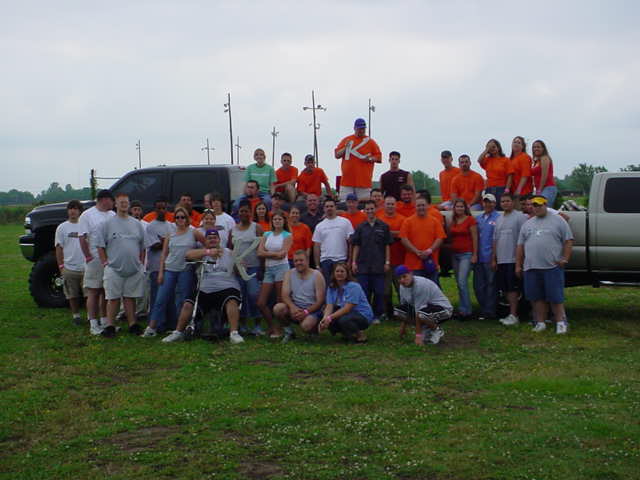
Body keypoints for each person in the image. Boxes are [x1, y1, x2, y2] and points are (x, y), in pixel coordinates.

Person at [162, 229, 245, 344]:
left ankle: (234, 333)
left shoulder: (229, 252)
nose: (212, 240)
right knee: (188, 303)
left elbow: (241, 271)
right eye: (209, 238)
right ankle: (178, 332)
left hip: (226, 287)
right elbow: (188, 255)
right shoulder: (202, 253)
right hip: (205, 288)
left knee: (231, 300)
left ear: (219, 240)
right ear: (205, 241)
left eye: (215, 238)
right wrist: (208, 252)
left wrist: (239, 265)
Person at [516, 196, 573, 334]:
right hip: (531, 267)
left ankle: (561, 323)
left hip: (552, 267)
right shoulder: (527, 224)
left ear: (546, 205)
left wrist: (565, 259)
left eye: (539, 205)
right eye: (534, 205)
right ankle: (540, 322)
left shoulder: (558, 220)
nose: (537, 208)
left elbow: (568, 240)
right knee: (536, 298)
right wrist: (518, 265)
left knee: (555, 297)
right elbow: (520, 246)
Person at [96, 193, 146, 337]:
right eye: (121, 202)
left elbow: (143, 246)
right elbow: (100, 245)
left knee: (130, 297)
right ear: (116, 204)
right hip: (113, 268)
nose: (124, 204)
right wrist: (105, 262)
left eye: (126, 202)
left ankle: (132, 324)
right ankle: (110, 326)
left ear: (129, 205)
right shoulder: (107, 224)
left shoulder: (136, 224)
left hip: (133, 268)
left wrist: (141, 263)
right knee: (113, 298)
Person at [143, 206, 198, 336]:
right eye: (177, 217)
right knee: (160, 298)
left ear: (187, 218)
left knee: (183, 299)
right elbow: (164, 254)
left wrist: (201, 254)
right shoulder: (170, 234)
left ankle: (180, 328)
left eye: (182, 217)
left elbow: (205, 244)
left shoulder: (193, 232)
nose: (180, 219)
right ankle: (151, 327)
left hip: (186, 270)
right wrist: (161, 272)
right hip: (170, 270)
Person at [78, 189, 115, 335]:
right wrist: (88, 256)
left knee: (105, 291)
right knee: (93, 291)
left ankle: (105, 321)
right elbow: (82, 237)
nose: (113, 204)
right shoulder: (87, 215)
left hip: (109, 259)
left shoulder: (112, 215)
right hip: (94, 258)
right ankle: (93, 323)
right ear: (104, 200)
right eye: (112, 200)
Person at [351, 200, 392, 323]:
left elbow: (387, 245)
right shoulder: (360, 227)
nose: (370, 211)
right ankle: (365, 314)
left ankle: (377, 315)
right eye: (367, 209)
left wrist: (387, 262)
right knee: (364, 292)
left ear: (376, 209)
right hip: (363, 265)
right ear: (365, 211)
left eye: (372, 208)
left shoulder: (384, 226)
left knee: (379, 292)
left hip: (378, 265)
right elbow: (356, 245)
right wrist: (353, 262)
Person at [274, 250, 326, 342]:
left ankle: (314, 332)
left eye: (301, 260)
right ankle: (289, 332)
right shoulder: (289, 274)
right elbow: (284, 295)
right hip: (295, 307)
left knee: (306, 326)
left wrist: (306, 312)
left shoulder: (317, 275)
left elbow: (320, 301)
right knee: (278, 308)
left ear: (307, 261)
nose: (298, 263)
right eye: (296, 261)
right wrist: (293, 307)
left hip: (312, 309)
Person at [492, 193, 528, 325]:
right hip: (502, 260)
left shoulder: (520, 217)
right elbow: (495, 240)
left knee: (513, 289)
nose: (505, 203)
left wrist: (520, 260)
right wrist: (494, 259)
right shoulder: (499, 219)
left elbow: (524, 239)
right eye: (502, 201)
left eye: (507, 201)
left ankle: (514, 315)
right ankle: (511, 314)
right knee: (506, 288)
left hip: (513, 259)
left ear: (513, 202)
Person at [393, 265, 452, 345]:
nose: (402, 280)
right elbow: (406, 307)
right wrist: (403, 327)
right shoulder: (402, 286)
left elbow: (418, 313)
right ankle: (425, 328)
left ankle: (437, 330)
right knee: (397, 312)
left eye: (404, 276)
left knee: (422, 315)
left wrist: (418, 336)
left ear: (411, 274)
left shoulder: (420, 285)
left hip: (444, 309)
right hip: (426, 310)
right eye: (399, 278)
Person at [256, 212, 292, 337]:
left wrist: (268, 254)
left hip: (281, 268)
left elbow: (282, 254)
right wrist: (275, 254)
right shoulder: (266, 234)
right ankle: (272, 326)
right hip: (269, 269)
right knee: (261, 302)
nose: (277, 221)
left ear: (284, 221)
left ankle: (282, 329)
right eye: (275, 219)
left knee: (279, 301)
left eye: (279, 219)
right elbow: (259, 253)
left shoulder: (287, 235)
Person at [231, 200, 264, 335]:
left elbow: (262, 248)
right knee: (241, 296)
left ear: (250, 212)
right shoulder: (233, 229)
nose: (243, 213)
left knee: (254, 294)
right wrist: (234, 266)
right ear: (238, 212)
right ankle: (243, 324)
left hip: (253, 267)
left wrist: (262, 267)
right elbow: (230, 249)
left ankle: (257, 324)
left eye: (246, 211)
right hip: (239, 269)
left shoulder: (257, 227)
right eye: (241, 211)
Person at [319, 262, 373, 343]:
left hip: (362, 315)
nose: (339, 273)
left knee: (344, 320)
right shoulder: (331, 287)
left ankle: (360, 335)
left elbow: (347, 308)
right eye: (337, 271)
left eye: (342, 271)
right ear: (333, 273)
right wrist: (324, 319)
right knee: (323, 314)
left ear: (347, 273)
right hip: (347, 313)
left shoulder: (354, 286)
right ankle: (347, 333)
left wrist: (330, 318)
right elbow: (329, 306)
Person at [144, 196, 176, 328]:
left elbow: (174, 244)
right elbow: (154, 245)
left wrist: (163, 240)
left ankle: (171, 323)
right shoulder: (150, 227)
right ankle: (156, 324)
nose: (162, 210)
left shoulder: (171, 226)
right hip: (156, 267)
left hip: (169, 266)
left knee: (169, 296)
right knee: (157, 297)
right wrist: (166, 242)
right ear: (155, 209)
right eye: (159, 208)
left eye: (164, 208)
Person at [399, 196, 446, 285]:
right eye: (418, 205)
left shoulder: (435, 221)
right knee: (416, 289)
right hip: (413, 265)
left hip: (431, 263)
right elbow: (403, 239)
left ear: (428, 206)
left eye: (423, 205)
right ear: (415, 207)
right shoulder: (408, 221)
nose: (421, 208)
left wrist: (429, 251)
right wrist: (416, 251)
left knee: (432, 289)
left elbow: (440, 238)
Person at [334, 118, 382, 201]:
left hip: (364, 182)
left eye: (363, 128)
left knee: (364, 205)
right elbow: (337, 155)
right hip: (347, 181)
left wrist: (370, 159)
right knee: (344, 204)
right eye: (359, 128)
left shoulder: (370, 142)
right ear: (354, 128)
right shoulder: (346, 140)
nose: (361, 131)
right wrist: (345, 148)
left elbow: (378, 157)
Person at [55, 200, 86, 325]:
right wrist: (61, 266)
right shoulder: (62, 227)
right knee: (72, 295)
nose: (73, 211)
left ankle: (92, 317)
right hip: (69, 267)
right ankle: (76, 316)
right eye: (70, 208)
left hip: (86, 267)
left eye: (75, 208)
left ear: (80, 211)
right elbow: (59, 248)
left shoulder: (85, 226)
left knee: (89, 295)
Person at [446, 199, 478, 320]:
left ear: (465, 208)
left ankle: (467, 311)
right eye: (457, 207)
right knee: (459, 283)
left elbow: (475, 238)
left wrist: (475, 254)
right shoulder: (453, 221)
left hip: (467, 254)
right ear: (454, 208)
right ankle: (462, 309)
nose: (459, 209)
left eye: (461, 206)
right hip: (455, 255)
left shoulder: (470, 220)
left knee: (462, 282)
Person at [376, 195, 407, 320]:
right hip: (384, 260)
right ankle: (387, 312)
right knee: (385, 290)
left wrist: (387, 233)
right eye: (388, 204)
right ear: (384, 205)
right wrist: (394, 234)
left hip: (400, 259)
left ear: (396, 205)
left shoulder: (402, 219)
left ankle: (405, 311)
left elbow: (404, 234)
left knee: (402, 288)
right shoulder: (379, 218)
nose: (390, 206)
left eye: (392, 204)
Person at [312, 197, 354, 282]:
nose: (329, 208)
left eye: (331, 206)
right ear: (324, 209)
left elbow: (351, 243)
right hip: (325, 261)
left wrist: (350, 260)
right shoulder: (319, 226)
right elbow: (316, 246)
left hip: (341, 259)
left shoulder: (345, 222)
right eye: (327, 206)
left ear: (336, 207)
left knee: (342, 285)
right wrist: (317, 265)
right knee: (328, 286)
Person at [473, 193, 500, 320]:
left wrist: (494, 258)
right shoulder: (478, 218)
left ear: (495, 203)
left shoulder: (499, 218)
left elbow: (497, 240)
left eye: (490, 202)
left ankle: (490, 311)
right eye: (485, 202)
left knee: (491, 285)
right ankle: (484, 308)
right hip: (479, 257)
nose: (488, 204)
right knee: (478, 285)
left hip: (490, 257)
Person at [477, 139, 514, 208]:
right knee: (489, 208)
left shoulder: (505, 160)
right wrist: (486, 150)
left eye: (493, 147)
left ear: (498, 147)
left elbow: (510, 176)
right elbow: (479, 160)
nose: (492, 149)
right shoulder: (487, 160)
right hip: (489, 188)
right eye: (490, 147)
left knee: (501, 208)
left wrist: (507, 189)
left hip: (501, 188)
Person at [531, 139, 558, 206]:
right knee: (539, 208)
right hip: (540, 188)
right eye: (534, 147)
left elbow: (544, 175)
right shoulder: (536, 161)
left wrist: (539, 189)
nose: (536, 149)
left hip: (548, 187)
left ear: (543, 148)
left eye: (538, 147)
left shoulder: (544, 158)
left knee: (543, 207)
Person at [509, 136, 533, 201]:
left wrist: (518, 189)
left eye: (519, 143)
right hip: (512, 191)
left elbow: (525, 175)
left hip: (523, 192)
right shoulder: (511, 159)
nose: (516, 144)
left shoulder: (525, 157)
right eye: (514, 142)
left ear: (523, 146)